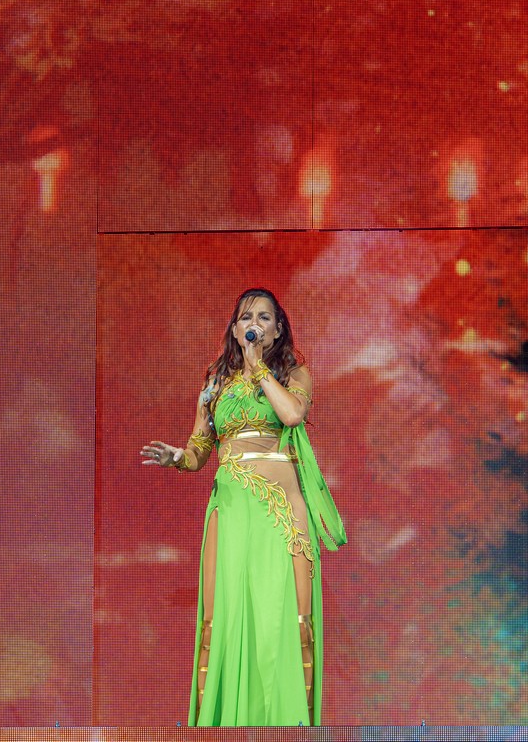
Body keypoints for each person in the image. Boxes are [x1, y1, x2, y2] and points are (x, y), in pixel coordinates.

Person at [141, 288, 346, 727]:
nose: (255, 324)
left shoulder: (295, 374)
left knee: (290, 618)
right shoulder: (215, 383)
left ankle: (292, 728)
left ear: (278, 329)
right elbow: (200, 448)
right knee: (224, 619)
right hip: (232, 511)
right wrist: (178, 457)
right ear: (235, 330)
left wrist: (258, 368)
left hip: (282, 511)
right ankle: (219, 728)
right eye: (246, 317)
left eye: (264, 317)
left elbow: (291, 415)